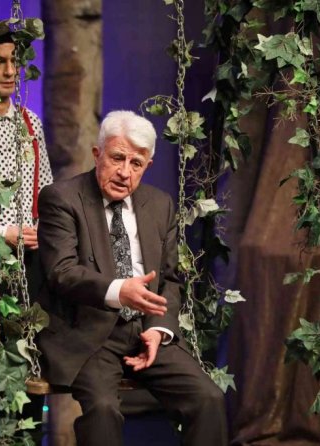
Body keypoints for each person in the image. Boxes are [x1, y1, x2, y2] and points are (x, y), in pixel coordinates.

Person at [36, 110, 228, 446]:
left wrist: (159, 329)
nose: (125, 172)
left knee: (208, 399)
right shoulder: (62, 198)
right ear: (97, 154)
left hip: (146, 331)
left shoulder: (160, 204)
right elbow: (60, 272)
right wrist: (118, 291)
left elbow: (169, 279)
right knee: (103, 410)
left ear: (147, 166)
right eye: (117, 158)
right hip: (90, 334)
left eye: (136, 163)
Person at [0, 20, 54, 444]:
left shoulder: (29, 122)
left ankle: (27, 437)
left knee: (27, 363)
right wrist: (2, 231)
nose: (9, 71)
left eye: (14, 61)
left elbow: (45, 190)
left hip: (28, 262)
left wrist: (40, 229)